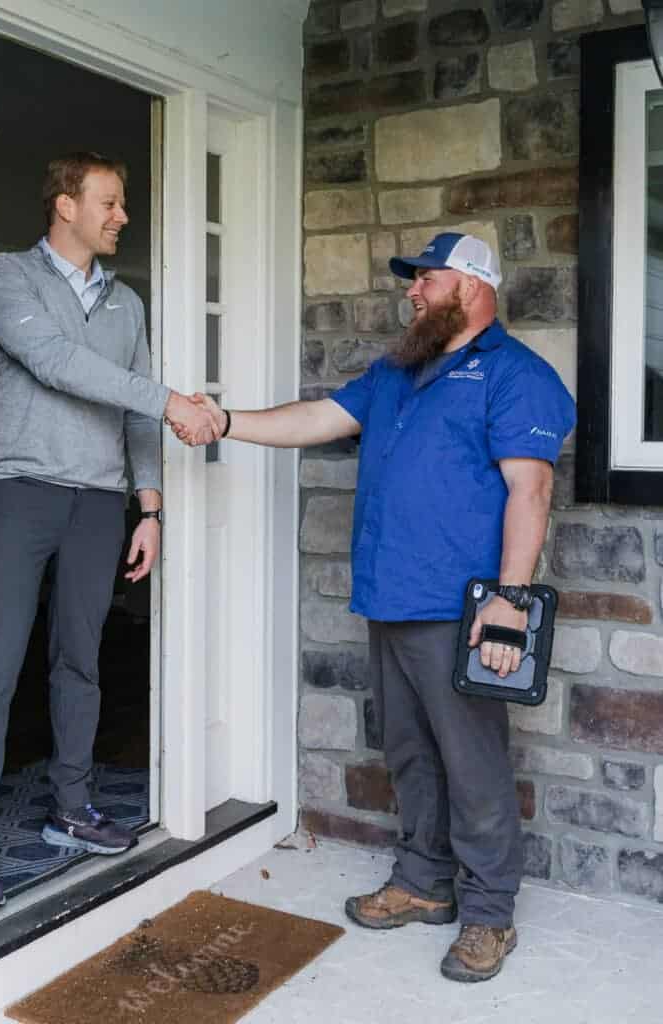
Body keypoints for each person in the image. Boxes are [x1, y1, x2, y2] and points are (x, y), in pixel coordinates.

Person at [176, 233, 576, 983]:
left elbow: (533, 491)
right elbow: (317, 420)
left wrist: (511, 610)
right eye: (414, 281)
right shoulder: (399, 371)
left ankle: (489, 913)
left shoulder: (517, 376)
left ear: (474, 285)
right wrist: (225, 421)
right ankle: (424, 884)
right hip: (392, 596)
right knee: (410, 751)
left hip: (463, 609)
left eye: (427, 279)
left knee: (473, 761)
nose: (413, 292)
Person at [0, 152, 219, 915]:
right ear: (64, 204)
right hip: (16, 491)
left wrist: (151, 508)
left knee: (81, 659)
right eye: (109, 201)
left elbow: (132, 413)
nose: (122, 215)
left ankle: (72, 804)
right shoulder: (5, 276)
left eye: (123, 203)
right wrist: (173, 400)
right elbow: (56, 363)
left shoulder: (126, 305)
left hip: (98, 502)